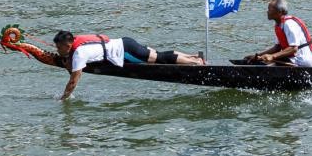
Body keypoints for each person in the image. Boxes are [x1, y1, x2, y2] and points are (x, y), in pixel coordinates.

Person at [51, 30, 204, 99]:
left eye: (59, 48)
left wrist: (64, 98)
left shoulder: (79, 53)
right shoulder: (77, 45)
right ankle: (194, 56)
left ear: (69, 44)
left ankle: (196, 62)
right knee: (159, 54)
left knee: (160, 58)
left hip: (126, 50)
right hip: (124, 43)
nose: (58, 50)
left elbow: (74, 80)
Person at [247, 0, 312, 66]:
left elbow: (293, 48)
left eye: (270, 10)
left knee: (267, 64)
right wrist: (257, 56)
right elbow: (277, 48)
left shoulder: (288, 24)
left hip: (302, 61)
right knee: (262, 61)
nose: (267, 12)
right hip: (294, 59)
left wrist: (272, 56)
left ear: (279, 12)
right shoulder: (279, 24)